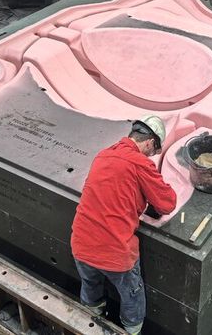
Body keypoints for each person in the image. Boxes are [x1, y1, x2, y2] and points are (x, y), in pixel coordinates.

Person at [70, 115, 177, 335]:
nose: (152, 156)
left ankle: (89, 321)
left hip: (81, 244)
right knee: (132, 295)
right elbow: (167, 203)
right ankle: (132, 330)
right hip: (115, 252)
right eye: (154, 151)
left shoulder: (103, 155)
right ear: (149, 142)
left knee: (90, 284)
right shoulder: (140, 162)